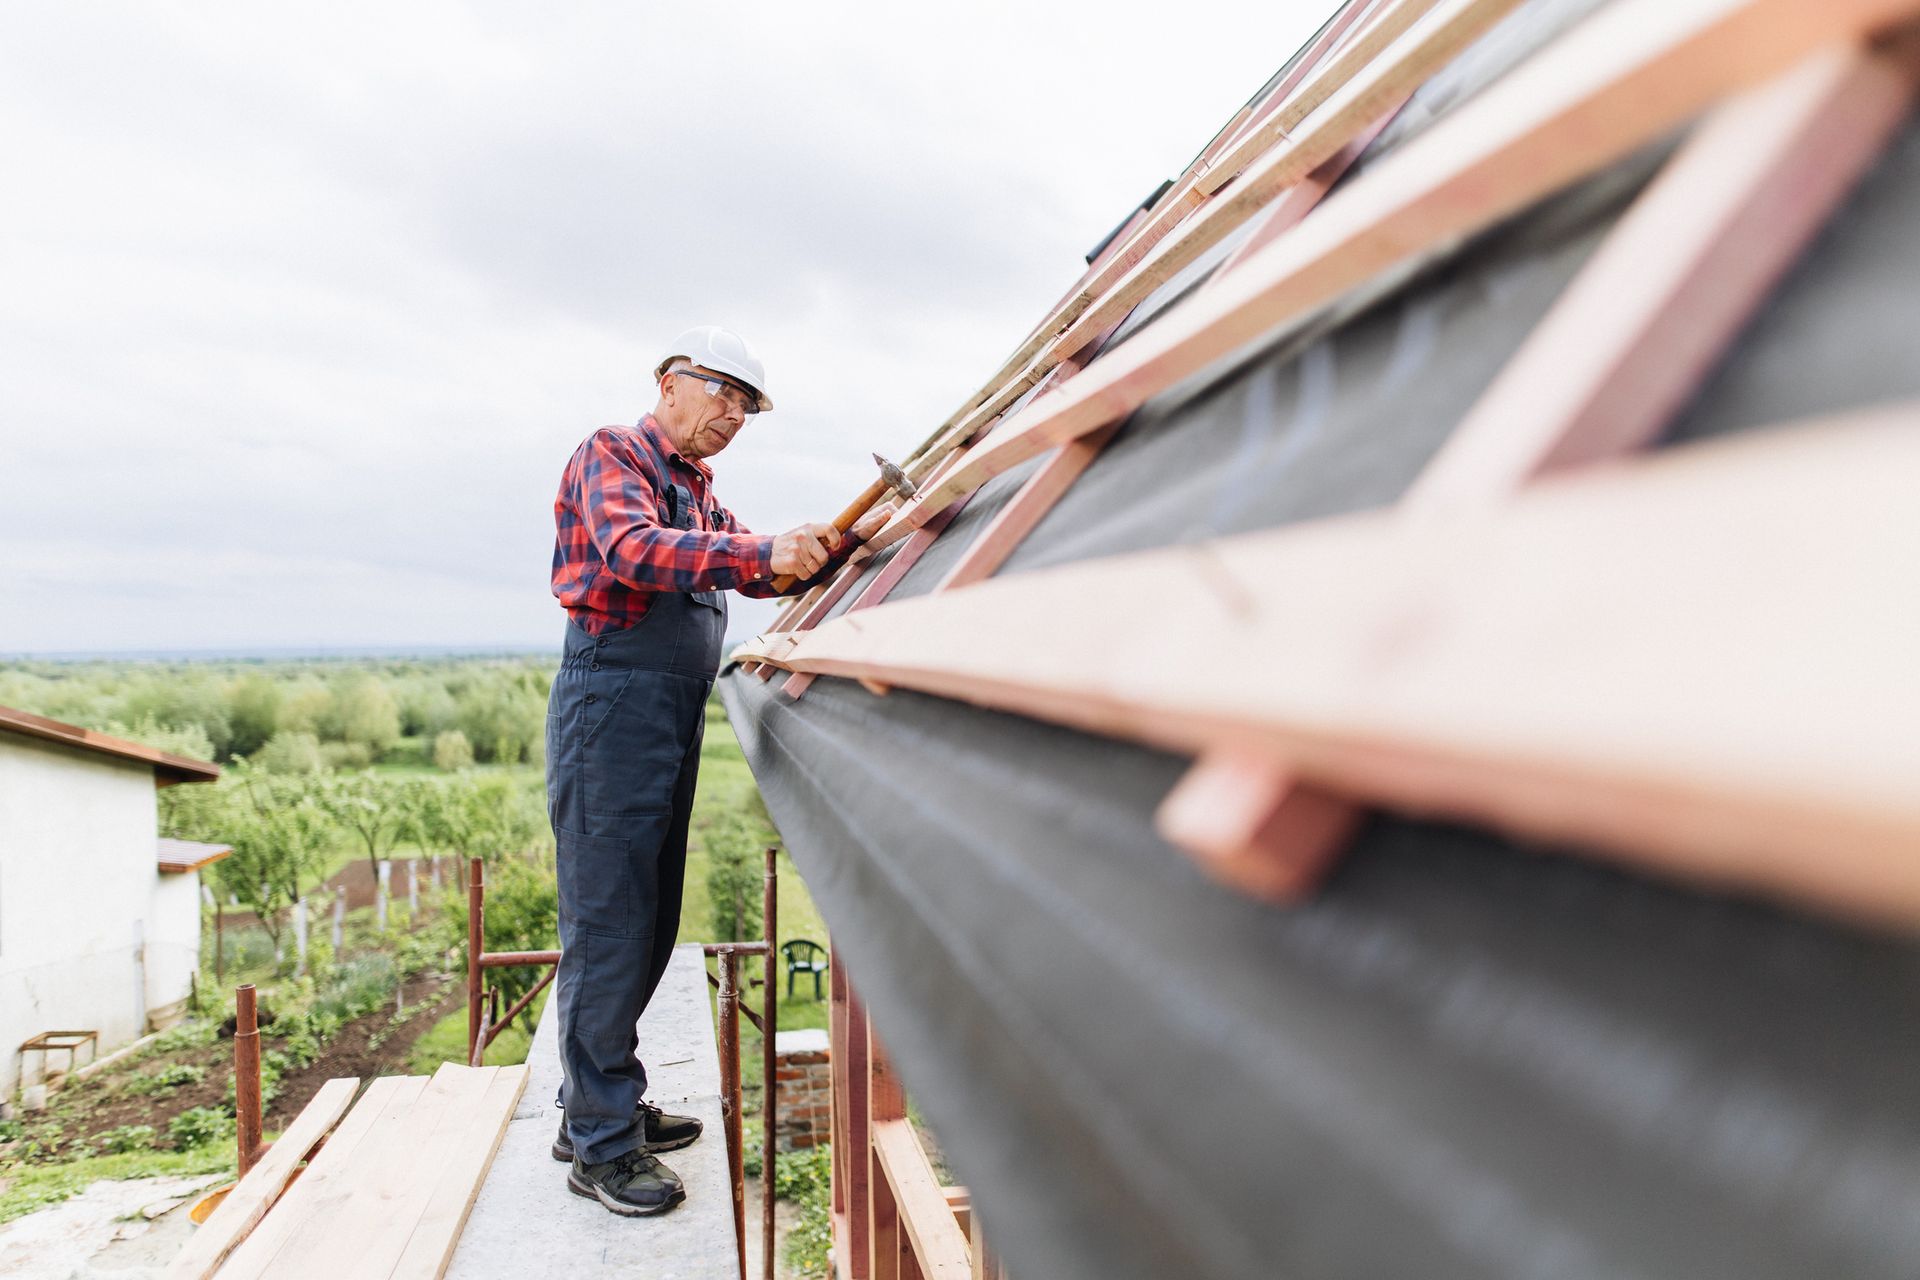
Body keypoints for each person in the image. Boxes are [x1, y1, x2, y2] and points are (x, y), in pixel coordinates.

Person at [545, 325, 893, 1216]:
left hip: (664, 714)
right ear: (669, 383)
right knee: (608, 920)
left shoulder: (699, 492)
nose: (733, 415)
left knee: (650, 914)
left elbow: (757, 568)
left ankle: (594, 1104)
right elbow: (634, 550)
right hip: (611, 707)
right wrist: (759, 552)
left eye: (747, 405)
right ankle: (602, 1150)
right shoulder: (614, 454)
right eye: (720, 392)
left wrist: (827, 546)